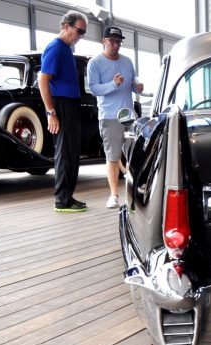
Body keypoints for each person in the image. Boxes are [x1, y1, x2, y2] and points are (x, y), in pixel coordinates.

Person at [87, 26, 143, 208]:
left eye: (118, 41)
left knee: (135, 156)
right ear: (104, 41)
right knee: (112, 157)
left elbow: (132, 83)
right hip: (109, 117)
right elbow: (94, 89)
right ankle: (114, 195)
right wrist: (113, 84)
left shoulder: (127, 61)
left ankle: (135, 192)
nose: (115, 44)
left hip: (129, 116)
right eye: (111, 40)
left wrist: (138, 87)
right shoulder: (95, 63)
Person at [39, 10, 88, 212]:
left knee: (71, 152)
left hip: (70, 105)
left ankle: (67, 197)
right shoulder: (56, 47)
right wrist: (51, 112)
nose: (80, 36)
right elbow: (43, 80)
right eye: (79, 31)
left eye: (83, 33)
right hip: (61, 105)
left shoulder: (66, 49)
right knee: (65, 153)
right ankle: (62, 200)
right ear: (66, 26)